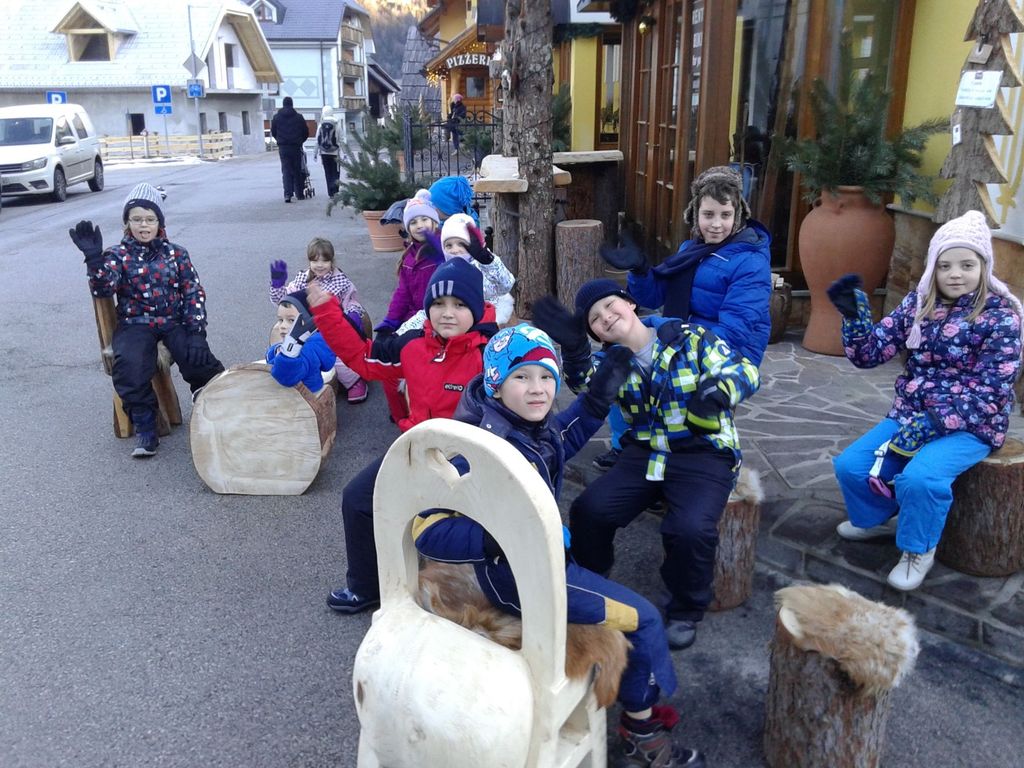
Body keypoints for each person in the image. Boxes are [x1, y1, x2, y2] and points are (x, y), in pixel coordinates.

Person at [414, 324, 704, 768]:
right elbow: (426, 526)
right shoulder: (479, 448)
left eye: (546, 376)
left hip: (536, 560)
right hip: (515, 577)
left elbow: (562, 436)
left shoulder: (519, 424)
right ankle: (642, 734)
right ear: (495, 383)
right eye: (522, 377)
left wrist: (597, 398)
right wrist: (499, 535)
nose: (538, 388)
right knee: (644, 620)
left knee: (609, 588)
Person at [533, 279, 760, 650]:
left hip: (704, 450)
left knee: (689, 529)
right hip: (646, 450)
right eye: (594, 318)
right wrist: (574, 349)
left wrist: (717, 391)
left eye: (610, 306)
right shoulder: (611, 362)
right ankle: (592, 579)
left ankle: (686, 608)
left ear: (630, 304)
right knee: (590, 509)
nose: (606, 317)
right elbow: (586, 386)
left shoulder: (689, 337)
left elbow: (745, 371)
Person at [828, 210, 1023, 591]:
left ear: (984, 266)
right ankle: (877, 518)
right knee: (851, 465)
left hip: (972, 425)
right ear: (932, 267)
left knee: (921, 477)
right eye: (945, 265)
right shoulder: (918, 304)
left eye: (967, 265)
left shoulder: (1002, 318)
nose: (955, 274)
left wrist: (934, 423)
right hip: (910, 414)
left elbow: (992, 390)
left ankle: (918, 548)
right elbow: (868, 355)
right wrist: (855, 319)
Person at [308, 258, 498, 614]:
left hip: (470, 463)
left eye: (459, 304)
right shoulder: (412, 345)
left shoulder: (492, 353)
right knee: (357, 498)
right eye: (438, 303)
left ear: (476, 308)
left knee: (450, 531)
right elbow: (363, 357)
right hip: (416, 452)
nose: (447, 313)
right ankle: (366, 587)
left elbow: (525, 390)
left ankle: (488, 594)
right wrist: (326, 312)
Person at [596, 165, 772, 470]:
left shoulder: (750, 262)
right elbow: (652, 298)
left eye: (725, 215)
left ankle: (678, 462)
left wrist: (677, 346)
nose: (716, 224)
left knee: (658, 380)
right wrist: (640, 270)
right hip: (683, 337)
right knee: (620, 362)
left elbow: (736, 330)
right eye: (708, 214)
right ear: (695, 214)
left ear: (738, 215)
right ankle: (626, 445)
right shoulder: (691, 249)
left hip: (726, 353)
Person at [69, 182, 225, 458]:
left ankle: (213, 409)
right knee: (129, 365)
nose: (144, 225)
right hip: (136, 323)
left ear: (159, 222)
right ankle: (145, 425)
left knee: (198, 358)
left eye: (150, 219)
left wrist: (196, 331)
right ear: (127, 223)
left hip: (172, 320)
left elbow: (192, 291)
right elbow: (103, 288)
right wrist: (94, 260)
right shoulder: (118, 255)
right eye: (137, 219)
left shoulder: (176, 253)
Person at [269, 237, 368, 403]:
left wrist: (353, 314)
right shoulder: (301, 279)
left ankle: (354, 381)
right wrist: (277, 285)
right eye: (315, 261)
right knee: (283, 350)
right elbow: (284, 301)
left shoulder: (340, 282)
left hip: (329, 328)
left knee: (337, 357)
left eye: (325, 260)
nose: (320, 265)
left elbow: (351, 301)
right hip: (302, 326)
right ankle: (286, 375)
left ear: (332, 260)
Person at [375, 191, 445, 422]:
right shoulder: (409, 255)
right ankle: (399, 415)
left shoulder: (442, 251)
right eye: (413, 222)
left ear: (434, 222)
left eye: (424, 219)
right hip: (410, 318)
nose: (419, 225)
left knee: (411, 363)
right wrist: (390, 321)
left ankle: (418, 413)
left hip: (434, 320)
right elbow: (402, 293)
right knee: (386, 359)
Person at [395, 212, 515, 331]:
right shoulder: (444, 271)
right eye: (449, 245)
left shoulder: (483, 265)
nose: (455, 250)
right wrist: (399, 334)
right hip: (454, 324)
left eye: (462, 244)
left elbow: (506, 285)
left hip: (488, 324)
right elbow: (432, 306)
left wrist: (488, 261)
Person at [266, 290, 336, 393]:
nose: (282, 326)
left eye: (291, 320)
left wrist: (288, 353)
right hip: (294, 394)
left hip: (305, 396)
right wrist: (276, 350)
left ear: (310, 323)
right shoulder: (295, 341)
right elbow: (270, 360)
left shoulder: (307, 348)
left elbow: (287, 378)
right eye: (281, 320)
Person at [270, 96, 310, 203]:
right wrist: (300, 141)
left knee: (286, 170)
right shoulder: (299, 117)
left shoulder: (276, 117)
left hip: (283, 148)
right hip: (296, 146)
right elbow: (306, 132)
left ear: (283, 104)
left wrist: (280, 140)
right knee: (297, 170)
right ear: (292, 104)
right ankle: (299, 193)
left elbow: (273, 131)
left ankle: (288, 194)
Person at [314, 106, 341, 197]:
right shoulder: (337, 124)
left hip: (324, 153)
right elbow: (341, 139)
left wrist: (315, 153)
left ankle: (330, 192)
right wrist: (345, 153)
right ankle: (335, 190)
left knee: (328, 172)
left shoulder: (321, 125)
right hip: (335, 152)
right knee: (335, 171)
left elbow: (317, 140)